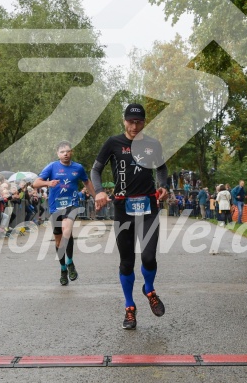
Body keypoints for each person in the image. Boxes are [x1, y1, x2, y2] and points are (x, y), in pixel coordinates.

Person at [91, 103, 168, 330]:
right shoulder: (113, 143)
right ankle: (129, 307)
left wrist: (162, 185)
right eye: (130, 121)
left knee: (149, 257)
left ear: (145, 121)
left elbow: (162, 168)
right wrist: (100, 191)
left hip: (148, 207)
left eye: (139, 122)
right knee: (127, 262)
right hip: (123, 209)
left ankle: (149, 289)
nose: (134, 126)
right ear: (124, 120)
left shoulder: (152, 144)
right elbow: (95, 170)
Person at [33, 140, 96, 286]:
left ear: (71, 152)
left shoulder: (78, 168)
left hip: (72, 204)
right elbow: (36, 183)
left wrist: (96, 196)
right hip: (55, 207)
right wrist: (48, 183)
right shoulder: (52, 166)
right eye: (62, 152)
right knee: (58, 240)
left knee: (67, 229)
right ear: (58, 154)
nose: (65, 154)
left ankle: (70, 262)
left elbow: (87, 182)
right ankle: (63, 269)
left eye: (68, 151)